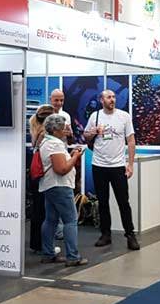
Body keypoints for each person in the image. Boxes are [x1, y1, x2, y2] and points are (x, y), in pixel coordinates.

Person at [84, 89, 139, 250]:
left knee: (123, 202)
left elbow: (131, 141)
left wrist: (130, 164)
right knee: (103, 202)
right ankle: (105, 234)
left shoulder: (124, 116)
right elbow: (86, 136)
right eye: (108, 97)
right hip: (99, 165)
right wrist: (93, 132)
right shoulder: (95, 116)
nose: (112, 99)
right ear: (102, 100)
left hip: (118, 166)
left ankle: (130, 234)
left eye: (113, 97)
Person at [39, 114, 88, 266]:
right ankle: (73, 256)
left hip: (50, 185)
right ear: (55, 130)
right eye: (63, 128)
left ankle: (48, 253)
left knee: (50, 220)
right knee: (70, 220)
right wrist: (76, 156)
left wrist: (70, 156)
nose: (65, 130)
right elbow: (61, 169)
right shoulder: (56, 144)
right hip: (60, 186)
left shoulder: (45, 141)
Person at [28, 105, 56, 253]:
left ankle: (37, 243)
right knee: (43, 212)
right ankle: (44, 245)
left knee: (38, 210)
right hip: (43, 175)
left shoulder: (35, 129)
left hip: (36, 174)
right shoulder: (44, 135)